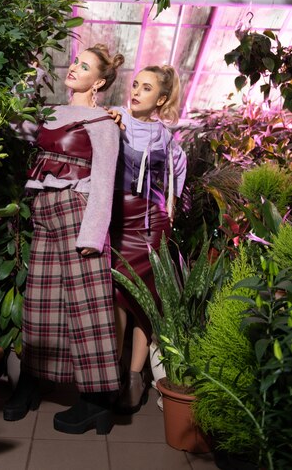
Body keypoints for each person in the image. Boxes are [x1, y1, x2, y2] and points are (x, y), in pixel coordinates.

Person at [5, 44, 125, 435]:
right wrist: (31, 78)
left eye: (85, 66)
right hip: (44, 212)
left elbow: (104, 181)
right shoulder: (51, 113)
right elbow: (14, 126)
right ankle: (31, 381)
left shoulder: (104, 123)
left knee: (87, 309)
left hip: (78, 212)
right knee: (39, 301)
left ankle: (97, 400)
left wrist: (94, 234)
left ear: (101, 81)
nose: (74, 68)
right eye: (76, 61)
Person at [109, 65, 187, 414]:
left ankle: (136, 375)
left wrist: (167, 210)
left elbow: (177, 176)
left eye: (147, 87)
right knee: (116, 295)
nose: (137, 91)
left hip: (151, 224)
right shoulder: (114, 118)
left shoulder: (166, 137)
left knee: (145, 300)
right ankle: (111, 373)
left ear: (162, 98)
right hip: (119, 220)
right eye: (136, 84)